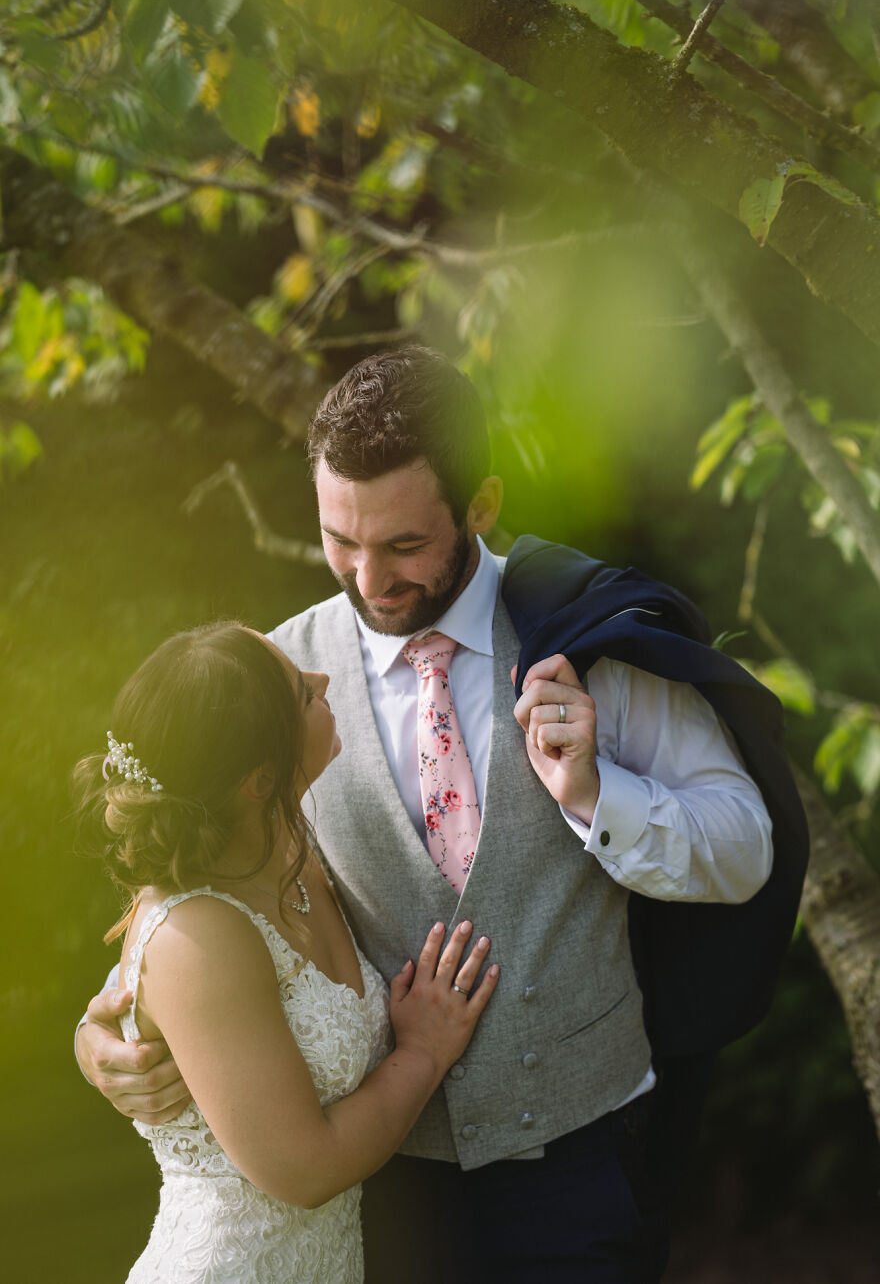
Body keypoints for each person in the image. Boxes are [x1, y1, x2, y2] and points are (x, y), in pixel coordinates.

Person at [77, 348, 777, 1283]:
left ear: (480, 507)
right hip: (384, 1202)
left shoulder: (589, 637)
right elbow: (185, 902)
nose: (368, 580)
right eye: (340, 539)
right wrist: (102, 1041)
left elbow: (745, 849)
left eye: (404, 545)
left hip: (580, 1165)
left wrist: (596, 797)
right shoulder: (275, 692)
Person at [73, 620, 498, 1283]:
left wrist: (89, 1036)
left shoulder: (298, 862)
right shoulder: (199, 933)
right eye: (301, 693)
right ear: (257, 781)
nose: (324, 679)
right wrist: (422, 1052)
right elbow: (305, 1169)